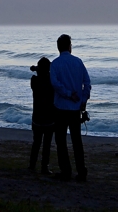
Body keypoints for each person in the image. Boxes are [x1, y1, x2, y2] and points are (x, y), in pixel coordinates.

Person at [49, 33, 91, 182]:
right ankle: (81, 171)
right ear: (69, 46)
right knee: (76, 141)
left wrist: (67, 94)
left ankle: (66, 170)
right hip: (74, 108)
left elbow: (55, 84)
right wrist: (83, 100)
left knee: (61, 141)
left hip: (60, 107)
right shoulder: (78, 62)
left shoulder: (55, 64)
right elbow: (87, 83)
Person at [28, 56, 55, 175]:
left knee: (36, 143)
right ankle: (45, 167)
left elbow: (35, 71)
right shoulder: (51, 81)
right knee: (46, 144)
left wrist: (36, 68)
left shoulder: (34, 81)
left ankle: (32, 165)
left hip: (37, 117)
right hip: (49, 118)